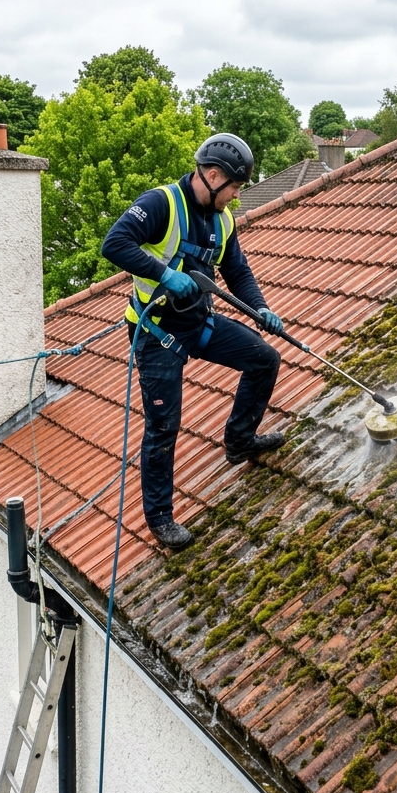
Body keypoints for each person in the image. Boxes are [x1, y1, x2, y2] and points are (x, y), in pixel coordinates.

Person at [101, 133, 285, 550]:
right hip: (156, 333)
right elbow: (114, 244)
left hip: (199, 323)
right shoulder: (162, 204)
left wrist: (260, 309)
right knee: (164, 424)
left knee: (264, 358)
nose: (236, 197)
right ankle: (160, 517)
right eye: (235, 188)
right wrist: (165, 275)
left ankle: (239, 442)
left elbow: (238, 273)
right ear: (214, 175)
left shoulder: (224, 221)